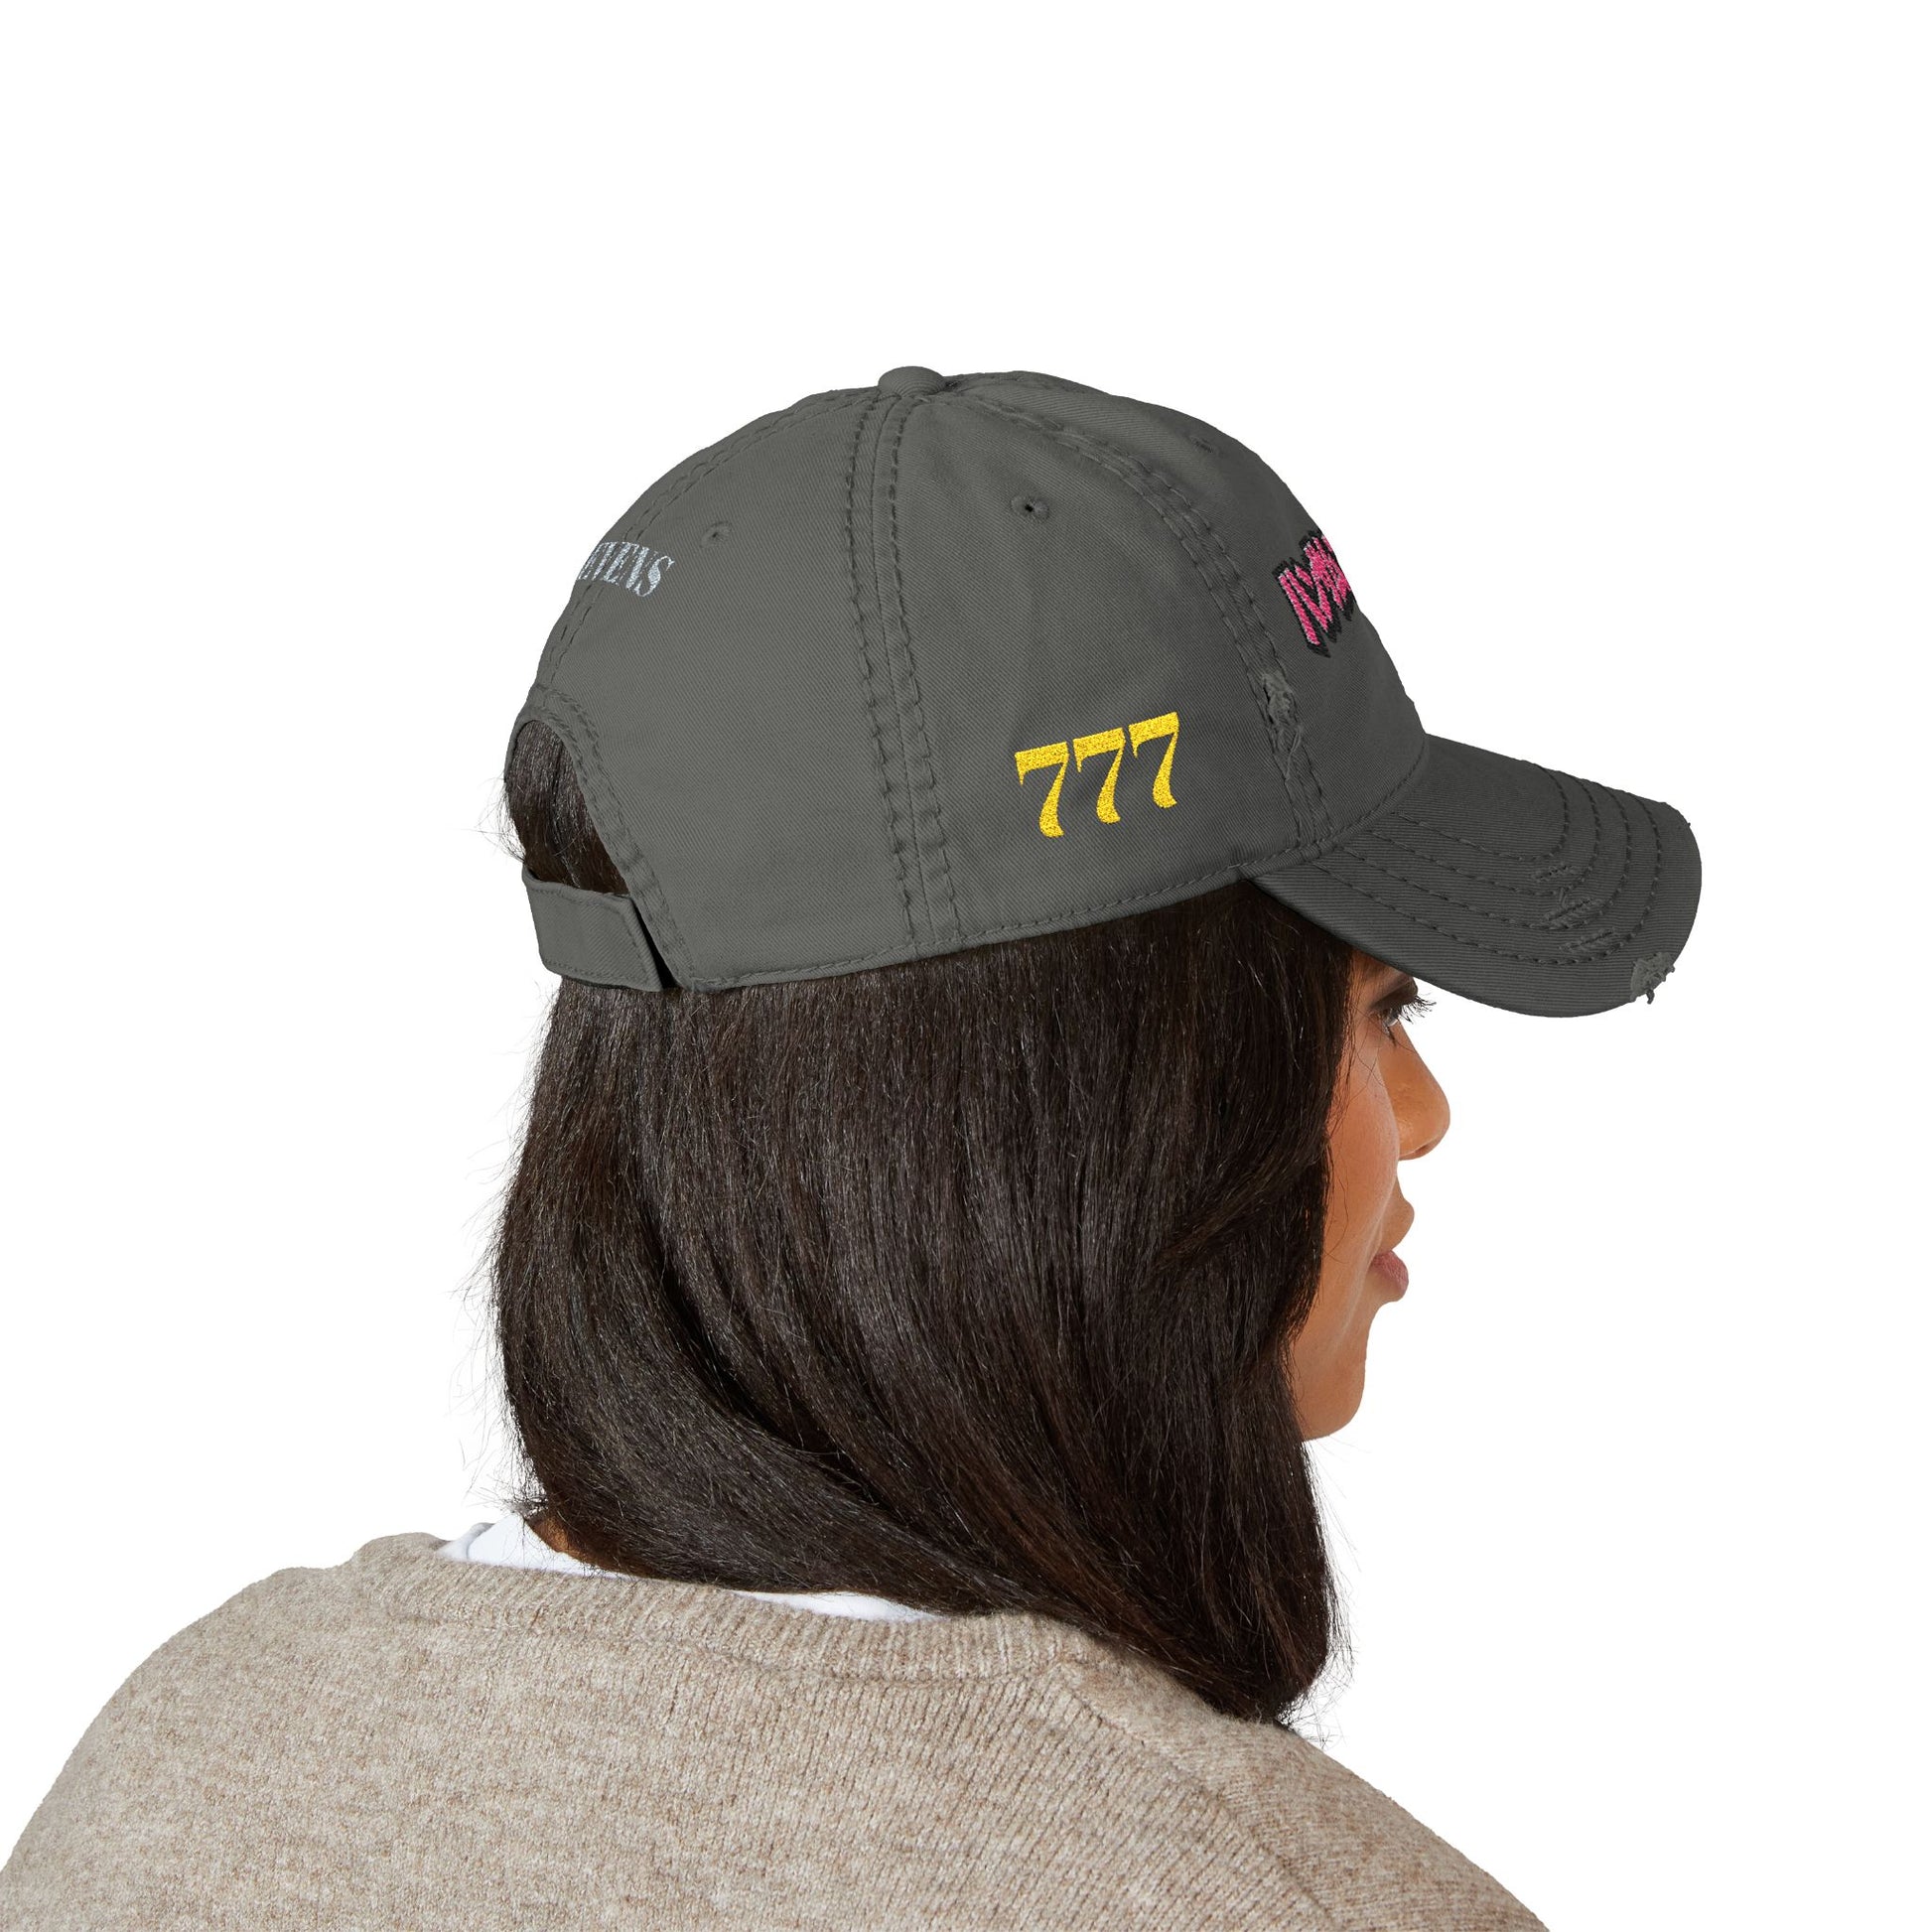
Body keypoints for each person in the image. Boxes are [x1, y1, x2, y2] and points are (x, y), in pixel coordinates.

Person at [0, 366, 1700, 1929]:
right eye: (1381, 1005)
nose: (1422, 1112)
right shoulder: (1294, 1902)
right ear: (1119, 1101)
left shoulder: (182, 1771)